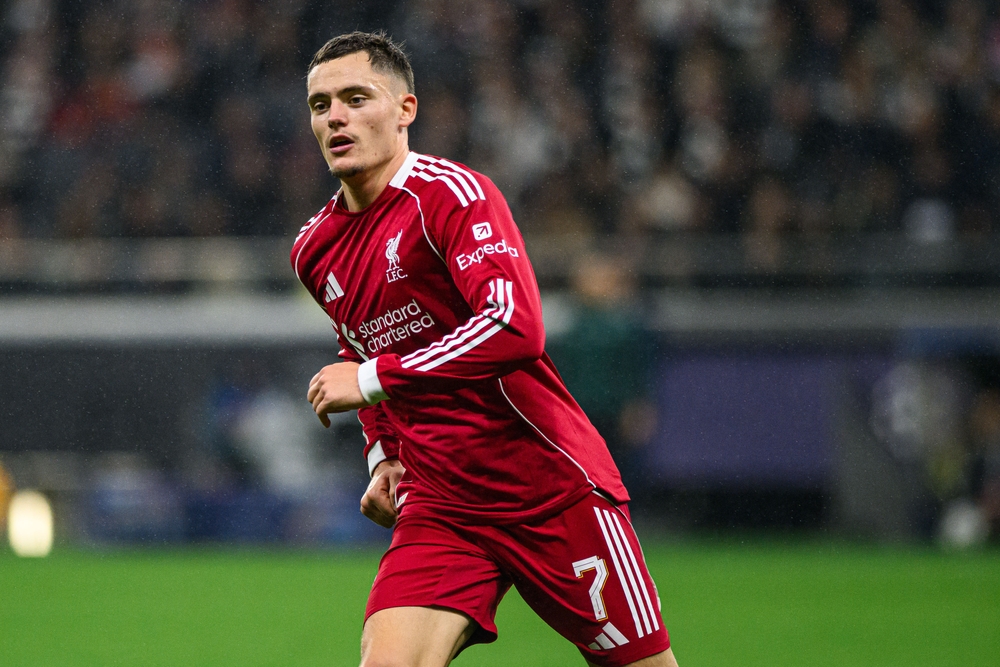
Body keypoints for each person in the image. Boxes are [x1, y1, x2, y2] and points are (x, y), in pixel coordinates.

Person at [295, 31, 677, 667]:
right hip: (441, 504)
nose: (336, 116)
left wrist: (370, 379)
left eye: (356, 98)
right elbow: (360, 342)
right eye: (320, 105)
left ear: (405, 109)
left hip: (548, 488)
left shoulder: (453, 196)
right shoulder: (314, 249)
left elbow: (513, 325)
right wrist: (384, 456)